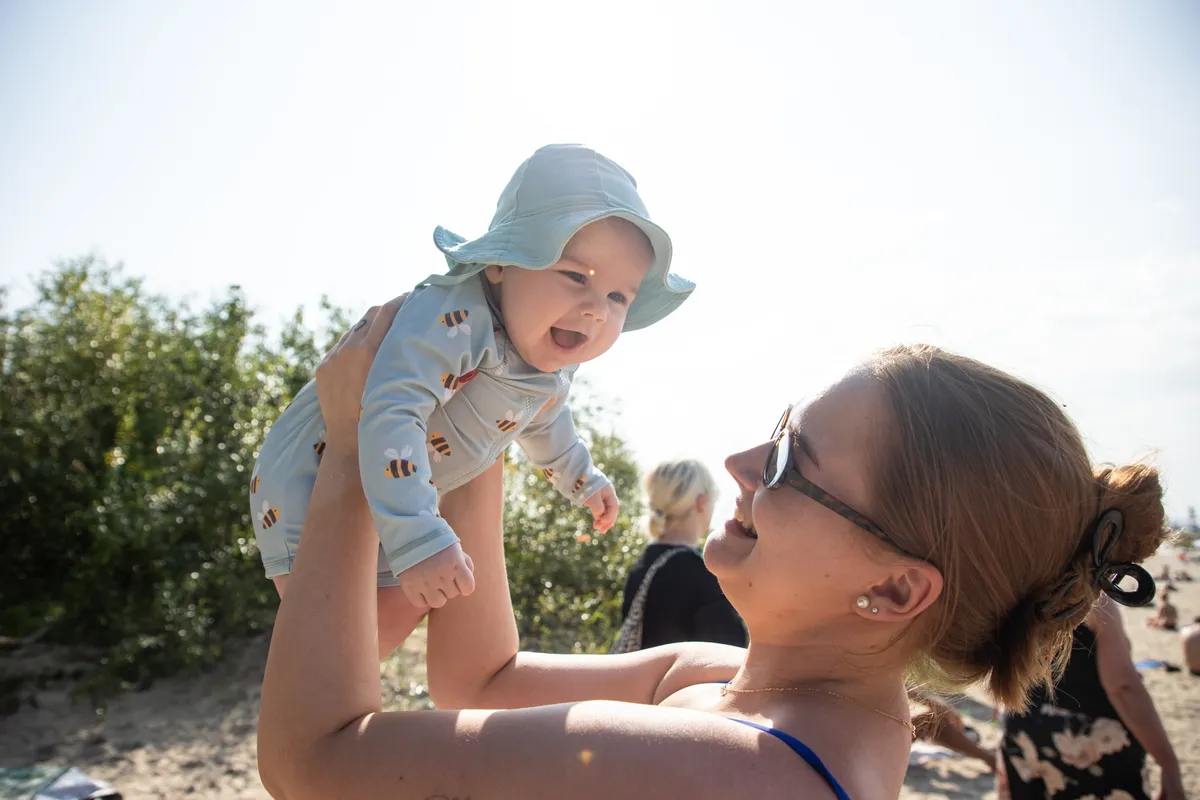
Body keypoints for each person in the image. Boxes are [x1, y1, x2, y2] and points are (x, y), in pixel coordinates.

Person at [258, 316, 1171, 800]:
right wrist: (482, 417)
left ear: (894, 587)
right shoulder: (747, 692)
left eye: (788, 462)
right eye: (776, 432)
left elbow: (312, 764)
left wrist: (352, 455)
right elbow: (479, 677)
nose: (740, 463)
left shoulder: (734, 768)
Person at [249, 144, 694, 642]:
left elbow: (547, 421)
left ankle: (340, 696)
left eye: (617, 297)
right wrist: (418, 532)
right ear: (500, 264)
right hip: (307, 484)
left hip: (395, 493)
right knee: (331, 636)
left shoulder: (545, 361)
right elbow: (392, 410)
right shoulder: (454, 315)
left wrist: (582, 478)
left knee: (388, 627)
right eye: (575, 276)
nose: (595, 309)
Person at [998, 598, 1185, 799]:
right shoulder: (1091, 595)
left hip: (1022, 725)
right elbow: (1121, 686)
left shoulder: (1014, 585)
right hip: (1085, 732)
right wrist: (1167, 763)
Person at [614, 459, 747, 652]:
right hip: (686, 683)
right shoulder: (701, 574)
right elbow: (729, 653)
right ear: (701, 502)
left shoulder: (643, 565)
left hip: (644, 681)